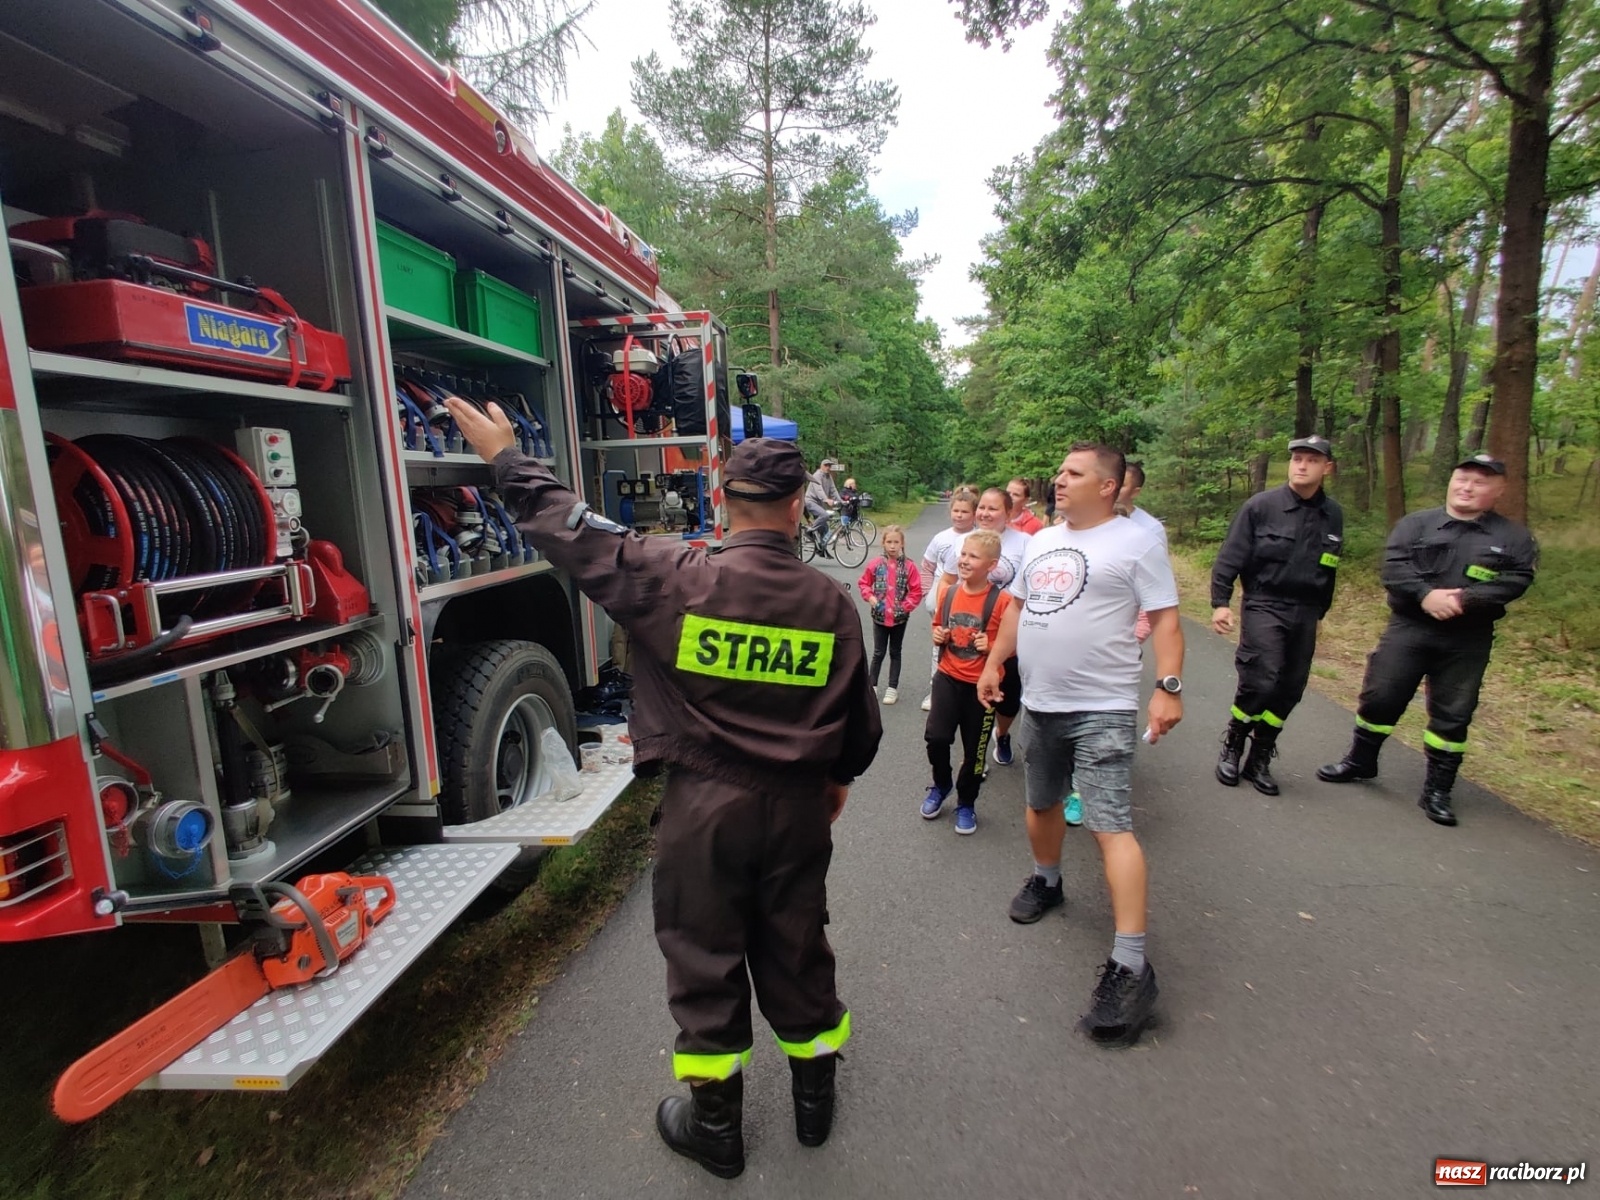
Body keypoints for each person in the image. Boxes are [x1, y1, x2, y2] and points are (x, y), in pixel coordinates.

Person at [446, 398, 882, 1178]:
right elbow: (861, 727)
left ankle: (716, 1130)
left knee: (704, 955)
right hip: (796, 811)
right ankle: (814, 1106)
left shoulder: (674, 576)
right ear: (795, 508)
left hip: (703, 810)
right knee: (797, 942)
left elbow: (571, 532)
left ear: (722, 501)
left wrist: (507, 456)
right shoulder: (831, 605)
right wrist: (835, 779)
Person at [979, 443, 1182, 1048]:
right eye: (1059, 471)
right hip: (1039, 701)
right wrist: (995, 661)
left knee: (1108, 822)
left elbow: (1166, 619)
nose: (1059, 480)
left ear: (1110, 486)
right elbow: (1017, 606)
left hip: (1104, 705)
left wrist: (1168, 688)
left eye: (1074, 474)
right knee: (1040, 804)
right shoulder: (1040, 540)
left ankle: (1130, 964)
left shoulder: (1138, 542)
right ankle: (1047, 879)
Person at [1317, 453, 1537, 826]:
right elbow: (1394, 567)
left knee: (1454, 713)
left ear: (1499, 490)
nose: (1467, 486)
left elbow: (1516, 580)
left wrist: (1466, 600)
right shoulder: (1417, 524)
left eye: (1480, 481)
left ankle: (1438, 789)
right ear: (1451, 481)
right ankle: (1360, 761)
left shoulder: (1513, 537)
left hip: (1468, 638)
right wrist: (1426, 595)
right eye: (1462, 478)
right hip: (1410, 628)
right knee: (1380, 696)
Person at [1209, 436, 1344, 795]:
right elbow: (1230, 556)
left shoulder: (1333, 514)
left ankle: (1260, 756)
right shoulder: (1261, 506)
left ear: (1326, 468)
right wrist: (1220, 602)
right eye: (1297, 458)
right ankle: (1234, 744)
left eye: (1311, 460)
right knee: (1261, 678)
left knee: (1289, 687)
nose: (1301, 465)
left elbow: (1329, 566)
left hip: (1306, 612)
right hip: (1264, 603)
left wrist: (1321, 612)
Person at [922, 529, 1011, 835]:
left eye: (973, 556)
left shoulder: (1002, 601)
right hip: (948, 677)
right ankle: (941, 782)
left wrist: (994, 645)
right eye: (963, 554)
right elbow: (938, 627)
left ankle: (966, 802)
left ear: (992, 565)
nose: (964, 560)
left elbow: (1013, 640)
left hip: (982, 689)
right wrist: (938, 635)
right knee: (936, 737)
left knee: (975, 752)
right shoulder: (947, 593)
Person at [936, 487, 1029, 763]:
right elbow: (949, 579)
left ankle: (1001, 734)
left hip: (1007, 629)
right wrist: (941, 610)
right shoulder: (964, 541)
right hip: (967, 629)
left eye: (993, 508)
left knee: (1008, 698)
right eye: (983, 508)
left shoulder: (1025, 543)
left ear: (1009, 512)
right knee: (968, 701)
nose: (985, 513)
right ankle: (977, 757)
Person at [919, 489, 978, 711]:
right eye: (956, 510)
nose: (960, 515)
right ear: (950, 511)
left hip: (970, 597)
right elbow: (927, 567)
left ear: (974, 514)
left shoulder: (978, 537)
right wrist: (929, 595)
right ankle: (936, 691)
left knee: (967, 644)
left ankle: (966, 692)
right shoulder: (941, 538)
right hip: (943, 595)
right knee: (940, 645)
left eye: (965, 511)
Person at [857, 524, 923, 703]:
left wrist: (904, 607)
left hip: (899, 619)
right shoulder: (875, 564)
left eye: (896, 542)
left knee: (895, 651)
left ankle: (892, 688)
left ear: (902, 543)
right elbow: (863, 583)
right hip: (879, 617)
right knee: (878, 652)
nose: (892, 546)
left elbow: (916, 591)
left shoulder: (909, 566)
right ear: (883, 543)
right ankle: (872, 686)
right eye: (889, 542)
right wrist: (870, 598)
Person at [804, 457, 841, 555]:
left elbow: (833, 490)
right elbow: (819, 490)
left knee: (824, 528)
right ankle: (809, 531)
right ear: (821, 466)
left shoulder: (829, 477)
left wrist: (841, 501)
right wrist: (826, 499)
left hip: (819, 503)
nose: (828, 467)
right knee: (824, 515)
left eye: (829, 466)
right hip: (810, 501)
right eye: (826, 465)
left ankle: (820, 549)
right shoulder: (817, 475)